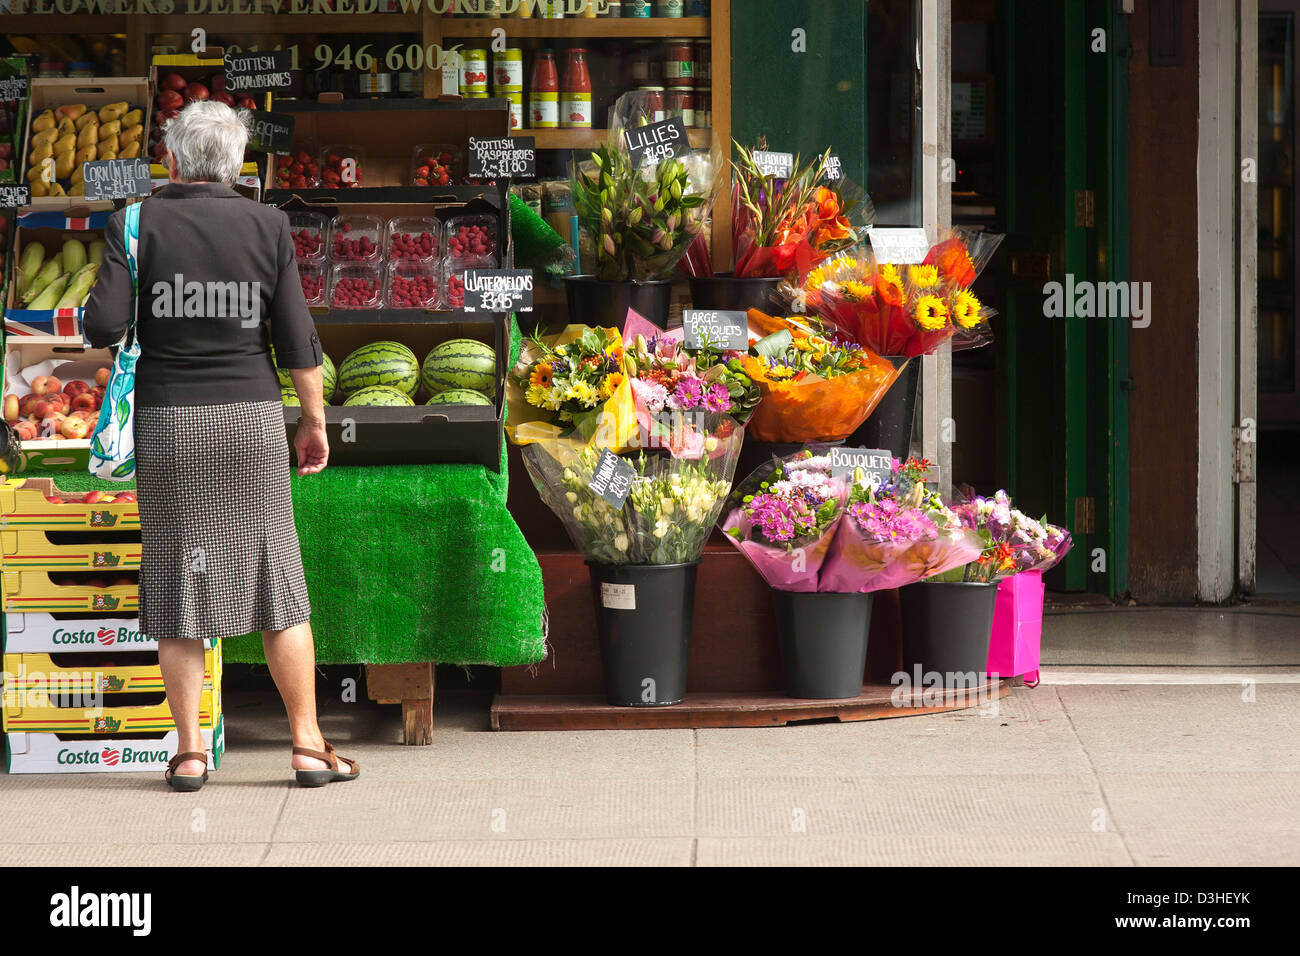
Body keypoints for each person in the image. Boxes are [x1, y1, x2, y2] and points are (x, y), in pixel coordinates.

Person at [83, 100, 358, 791]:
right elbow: (298, 339)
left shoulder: (134, 223)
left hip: (172, 420)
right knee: (277, 579)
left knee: (179, 580)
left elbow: (103, 324)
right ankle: (306, 746)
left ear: (171, 160)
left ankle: (189, 755)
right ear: (238, 166)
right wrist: (314, 419)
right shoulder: (267, 223)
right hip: (251, 420)